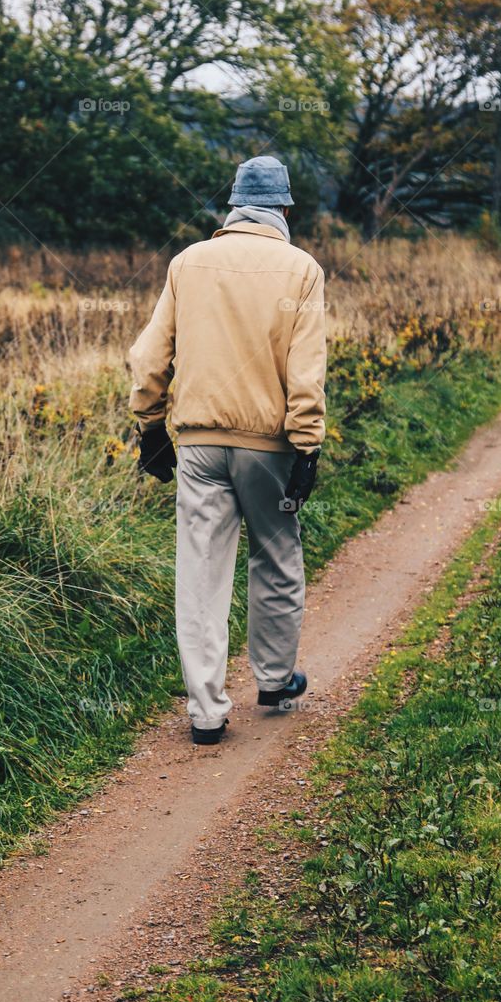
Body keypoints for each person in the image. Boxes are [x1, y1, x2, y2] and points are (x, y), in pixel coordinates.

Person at [127, 155, 327, 745]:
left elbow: (147, 358)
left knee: (202, 572)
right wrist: (308, 445)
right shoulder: (302, 270)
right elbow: (306, 370)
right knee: (277, 554)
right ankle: (272, 679)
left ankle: (207, 713)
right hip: (269, 446)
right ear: (285, 209)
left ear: (233, 206)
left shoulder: (188, 263)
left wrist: (150, 425)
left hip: (197, 444)